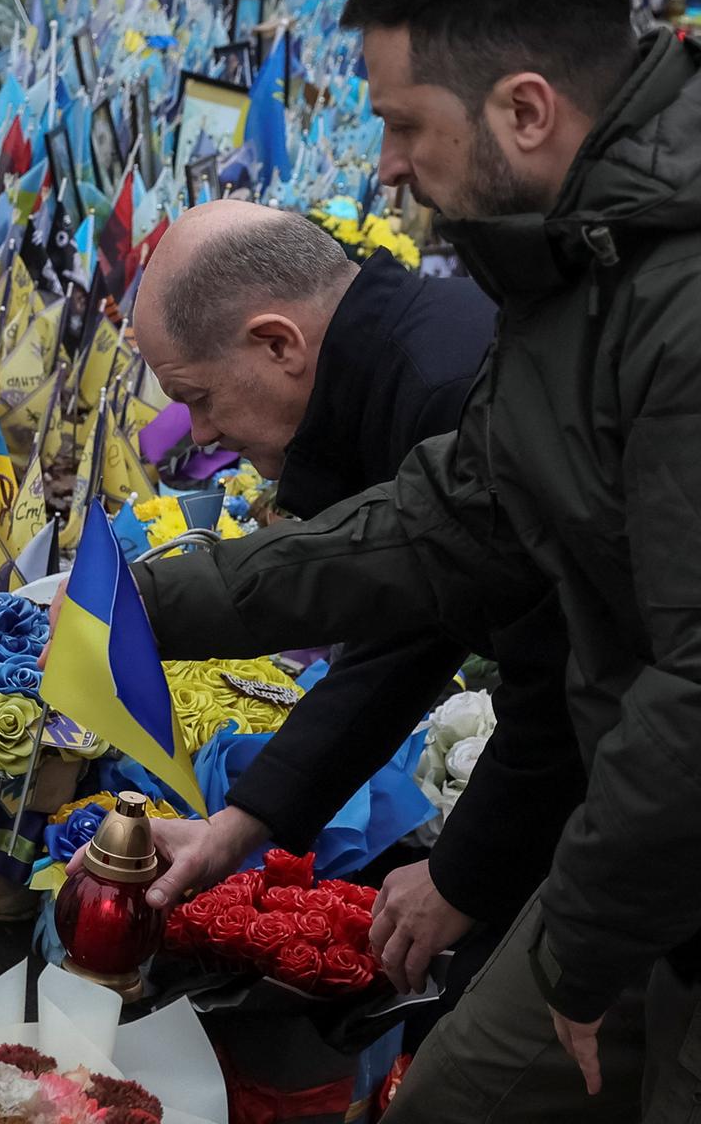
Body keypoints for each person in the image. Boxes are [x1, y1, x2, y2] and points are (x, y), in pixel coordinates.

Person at [112, 0, 700, 1121]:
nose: (385, 165)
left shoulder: (669, 309)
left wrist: (572, 942)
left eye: (403, 122)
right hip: (645, 866)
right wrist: (145, 605)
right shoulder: (577, 263)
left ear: (525, 110)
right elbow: (443, 528)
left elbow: (676, 684)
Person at [118, 197, 589, 1012]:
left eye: (197, 396)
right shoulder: (404, 365)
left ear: (279, 343)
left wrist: (460, 876)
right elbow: (411, 627)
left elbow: (562, 677)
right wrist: (242, 824)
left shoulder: (446, 390)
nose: (197, 434)